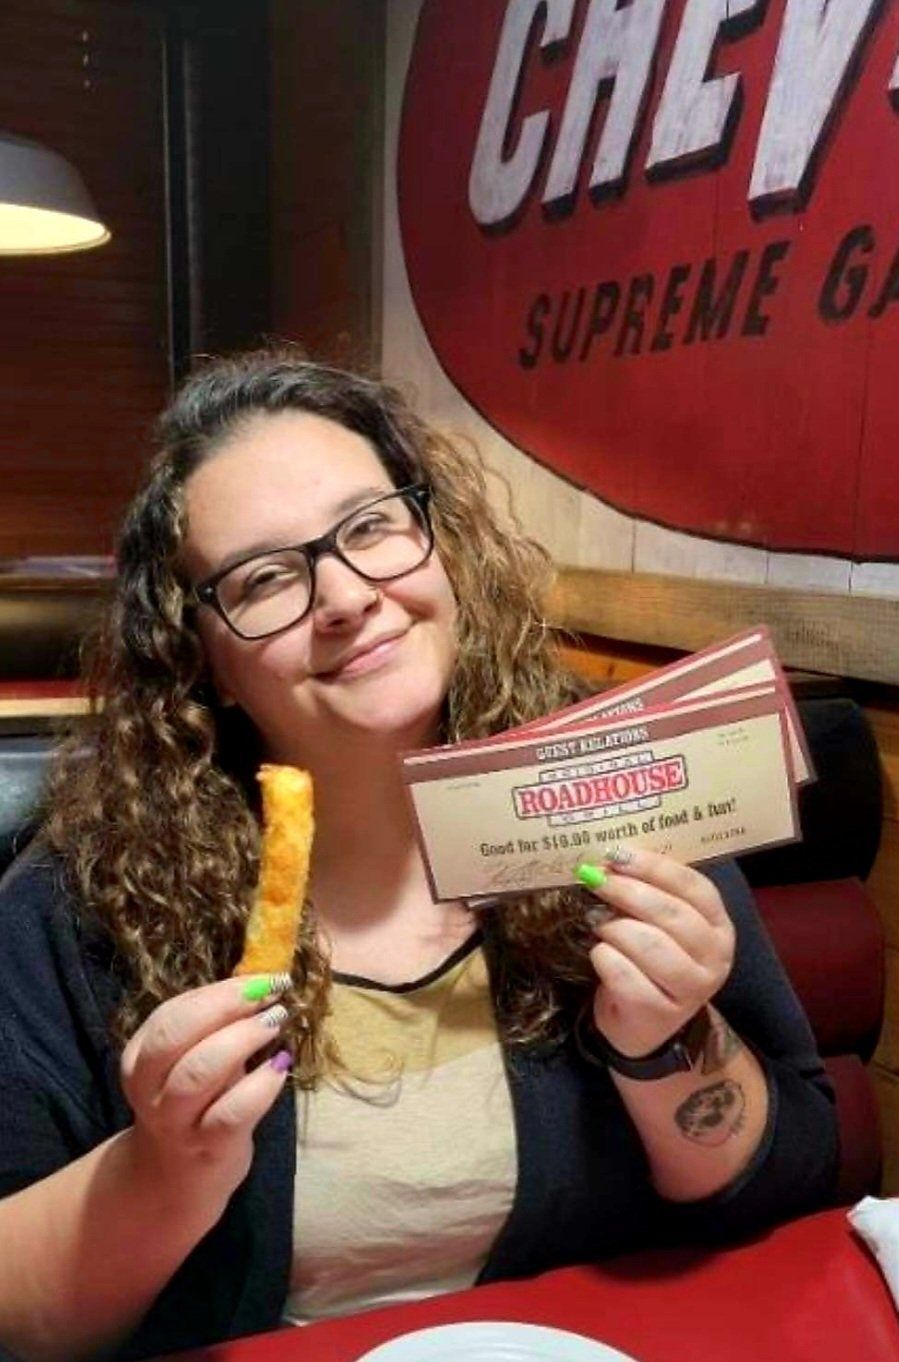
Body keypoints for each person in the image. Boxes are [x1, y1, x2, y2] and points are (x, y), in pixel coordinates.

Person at [0, 348, 838, 1362]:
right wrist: (166, 1171)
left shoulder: (609, 802)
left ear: (437, 546)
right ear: (202, 657)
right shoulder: (77, 899)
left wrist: (663, 1044)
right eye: (264, 577)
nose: (347, 595)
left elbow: (792, 1184)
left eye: (369, 528)